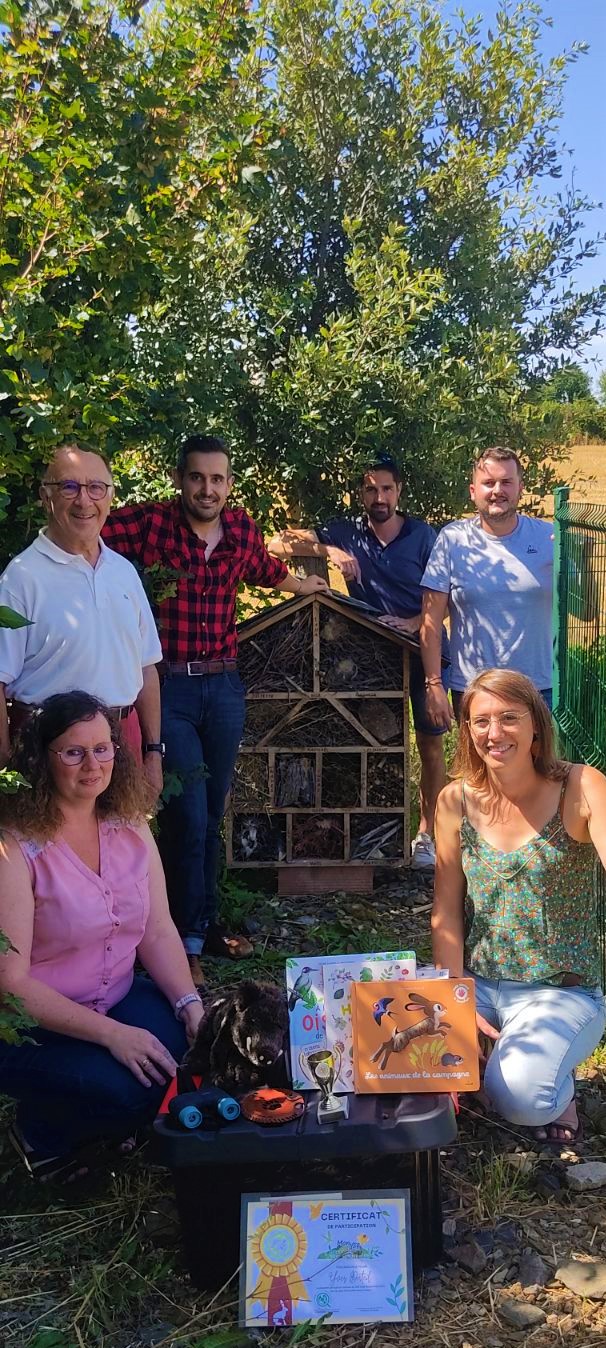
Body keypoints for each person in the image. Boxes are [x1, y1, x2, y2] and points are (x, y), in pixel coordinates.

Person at [102, 433, 328, 982]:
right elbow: (88, 530)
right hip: (168, 688)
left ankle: (200, 926)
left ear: (228, 483)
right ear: (180, 478)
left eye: (218, 479)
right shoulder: (150, 525)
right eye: (198, 477)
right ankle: (181, 945)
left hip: (224, 689)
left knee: (211, 815)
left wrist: (304, 585)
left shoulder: (242, 531)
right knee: (186, 814)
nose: (208, 488)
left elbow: (267, 572)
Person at [0, 691, 205, 1181]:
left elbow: (156, 929)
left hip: (114, 995)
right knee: (135, 1086)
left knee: (196, 1054)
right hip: (34, 1027)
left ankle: (105, 1119)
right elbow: (10, 983)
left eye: (102, 748)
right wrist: (115, 1036)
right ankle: (40, 1134)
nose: (91, 764)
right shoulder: (14, 846)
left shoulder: (129, 823)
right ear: (42, 759)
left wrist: (191, 1006)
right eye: (73, 752)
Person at [432, 669, 606, 1143]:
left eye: (509, 717)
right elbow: (446, 912)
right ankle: (488, 1064)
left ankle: (555, 1091)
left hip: (561, 992)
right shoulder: (454, 801)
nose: (495, 733)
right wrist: (455, 1001)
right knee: (394, 1057)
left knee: (521, 1099)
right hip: (479, 986)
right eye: (481, 720)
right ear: (467, 730)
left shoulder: (581, 786)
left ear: (535, 724)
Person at [268, 456, 449, 868]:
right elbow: (278, 542)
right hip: (371, 659)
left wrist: (411, 622)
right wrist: (327, 548)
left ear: (399, 491)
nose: (379, 497)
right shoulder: (348, 532)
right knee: (373, 746)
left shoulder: (424, 536)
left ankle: (427, 835)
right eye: (371, 489)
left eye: (386, 489)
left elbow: (449, 597)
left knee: (431, 744)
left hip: (424, 651)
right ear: (361, 494)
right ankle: (372, 837)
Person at [0, 443, 164, 797]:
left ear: (110, 496)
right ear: (47, 497)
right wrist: (4, 762)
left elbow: (147, 667)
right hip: (50, 748)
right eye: (69, 487)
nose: (84, 500)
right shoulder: (21, 578)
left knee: (123, 850)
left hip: (122, 743)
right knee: (47, 850)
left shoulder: (122, 572)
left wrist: (153, 752)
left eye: (96, 487)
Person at [420, 446, 553, 727]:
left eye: (506, 482)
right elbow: (430, 620)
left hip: (539, 690)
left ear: (520, 488)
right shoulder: (452, 540)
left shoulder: (549, 538)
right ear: (473, 490)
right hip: (473, 691)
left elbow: (586, 614)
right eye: (488, 483)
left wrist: (579, 556)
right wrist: (433, 685)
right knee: (479, 771)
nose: (497, 491)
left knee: (539, 771)